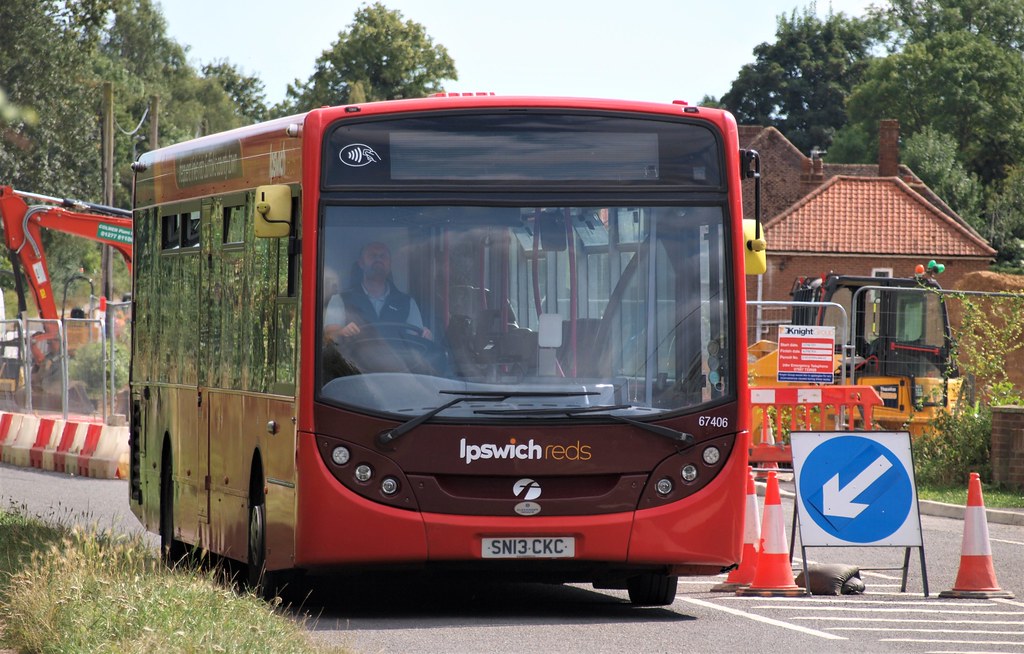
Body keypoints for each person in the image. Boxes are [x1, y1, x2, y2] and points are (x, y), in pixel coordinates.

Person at [324, 242, 432, 343]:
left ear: (390, 264)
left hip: (398, 362)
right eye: (372, 256)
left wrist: (425, 336)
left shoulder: (407, 302)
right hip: (352, 363)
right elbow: (329, 336)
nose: (378, 259)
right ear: (361, 263)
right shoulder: (340, 299)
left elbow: (415, 341)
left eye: (383, 256)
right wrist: (342, 332)